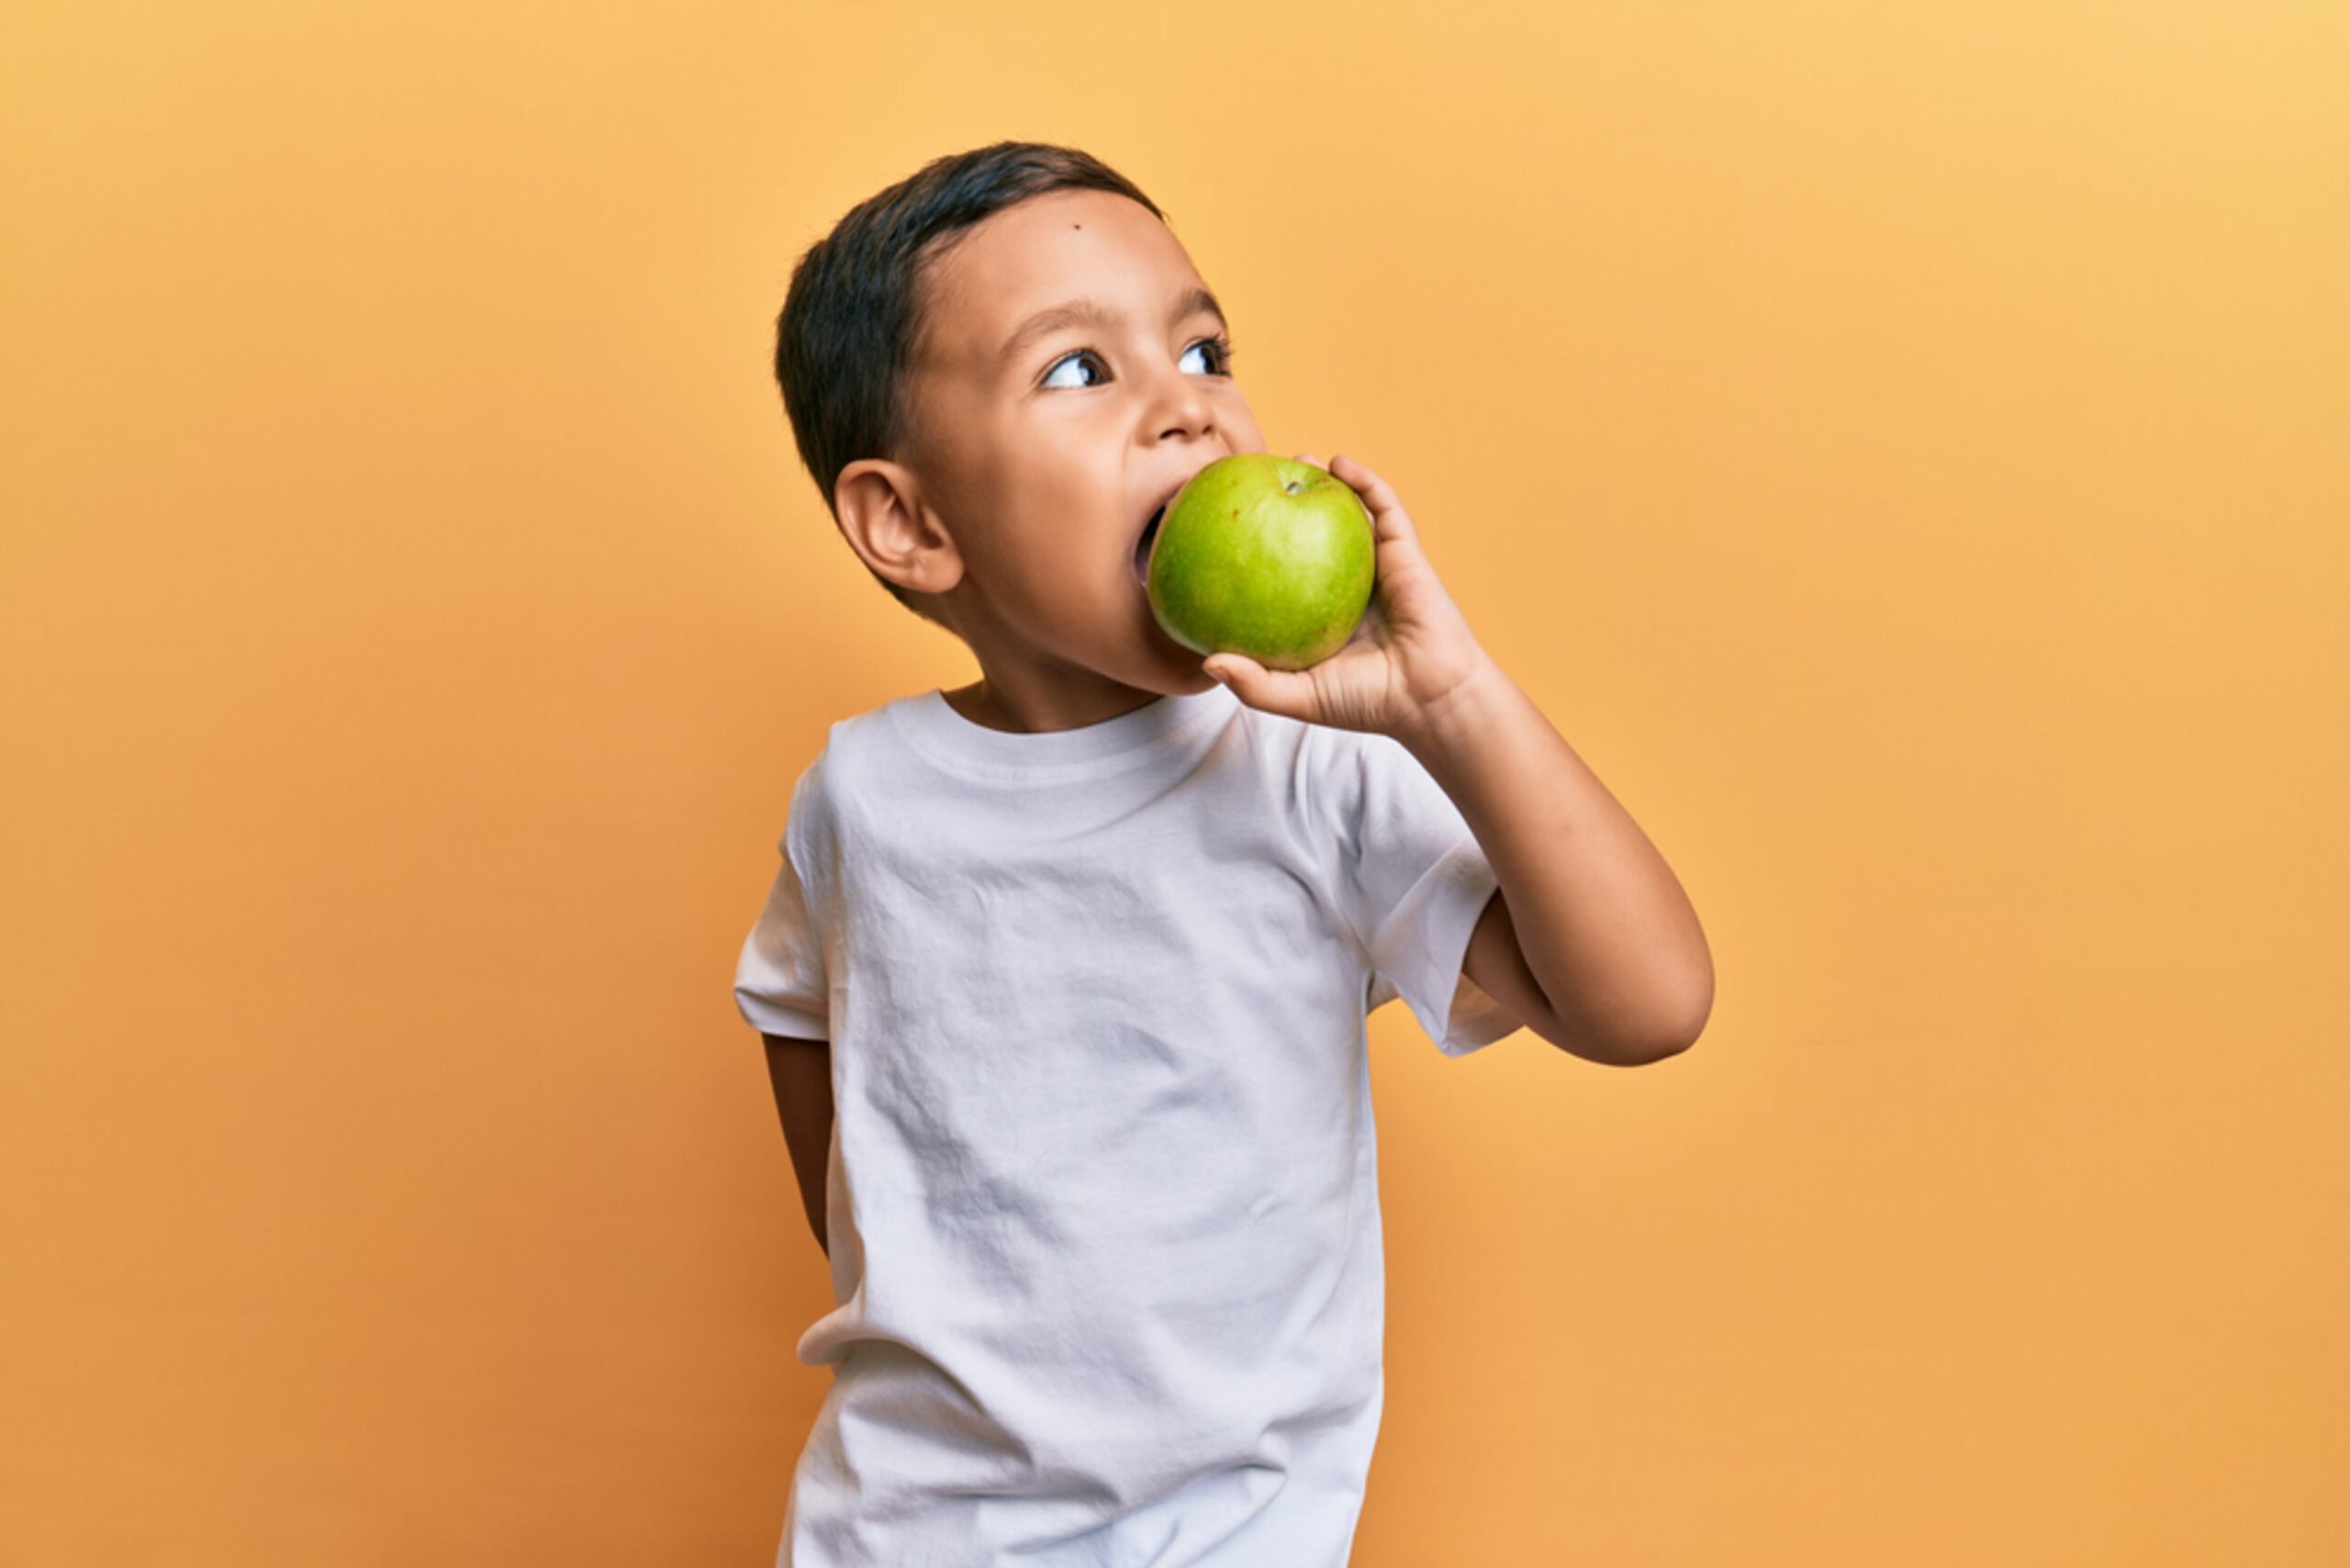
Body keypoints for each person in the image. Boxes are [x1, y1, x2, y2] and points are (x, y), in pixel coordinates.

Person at [733, 140, 1714, 1567]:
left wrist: (1451, 704)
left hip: (1233, 1539)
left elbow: (1649, 1005)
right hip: (900, 1528)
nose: (1187, 409)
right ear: (912, 523)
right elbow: (797, 1012)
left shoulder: (1314, 771)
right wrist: (909, 1271)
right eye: (1080, 370)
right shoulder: (865, 794)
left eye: (1203, 347)